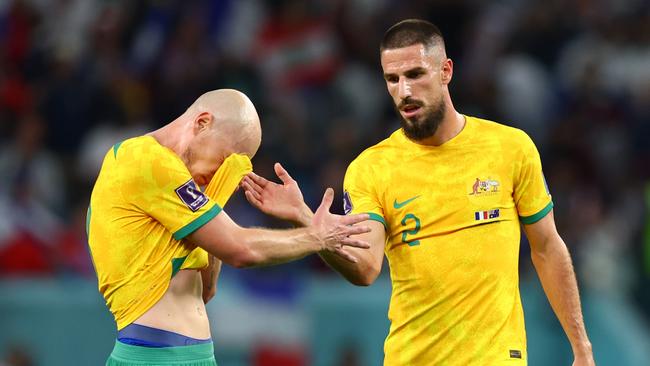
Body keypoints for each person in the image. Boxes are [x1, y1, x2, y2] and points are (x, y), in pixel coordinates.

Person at [241, 19, 595, 365]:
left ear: (446, 71)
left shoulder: (510, 148)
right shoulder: (372, 168)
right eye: (392, 79)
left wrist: (581, 348)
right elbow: (365, 269)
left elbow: (547, 248)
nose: (403, 91)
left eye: (414, 74)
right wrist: (308, 219)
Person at [86, 89, 371, 366]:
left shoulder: (172, 191)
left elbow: (207, 290)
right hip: (155, 356)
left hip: (194, 355)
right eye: (224, 159)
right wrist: (316, 236)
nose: (221, 171)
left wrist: (215, 195)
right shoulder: (143, 160)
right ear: (202, 123)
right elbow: (241, 250)